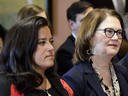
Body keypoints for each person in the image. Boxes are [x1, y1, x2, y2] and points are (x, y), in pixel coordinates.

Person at [0, 16, 74, 96]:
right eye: (42, 42)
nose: (51, 48)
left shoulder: (59, 81)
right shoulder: (6, 85)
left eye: (51, 41)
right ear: (23, 47)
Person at [63, 8, 128, 96]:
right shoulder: (74, 78)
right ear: (90, 37)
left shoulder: (124, 73)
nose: (116, 38)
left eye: (119, 32)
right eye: (109, 31)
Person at [55, 1, 93, 76]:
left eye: (93, 19)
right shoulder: (65, 52)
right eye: (84, 20)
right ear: (72, 24)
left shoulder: (102, 42)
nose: (91, 24)